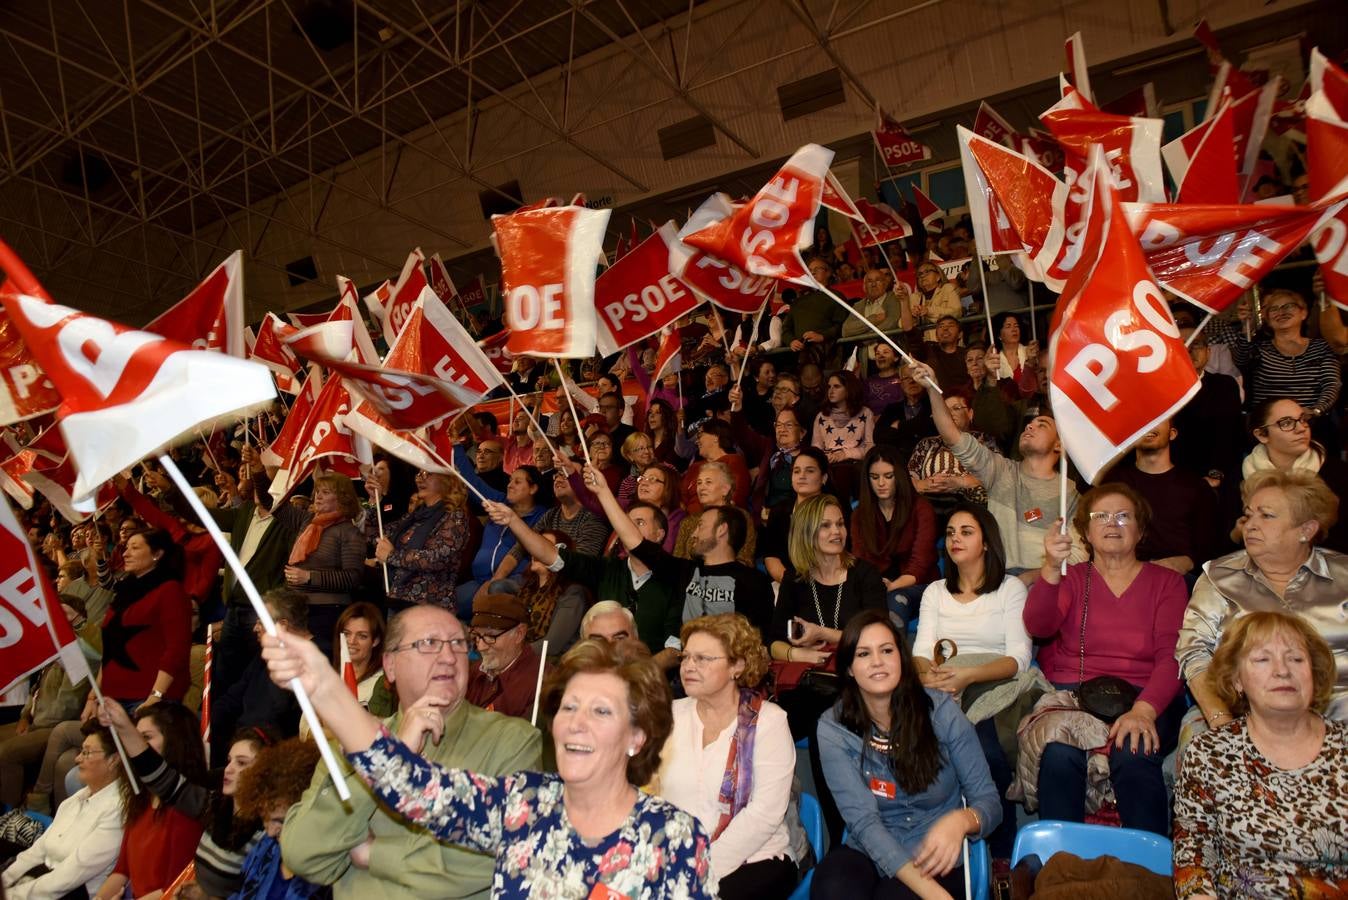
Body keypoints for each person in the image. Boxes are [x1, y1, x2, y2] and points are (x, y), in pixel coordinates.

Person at [261, 631, 718, 898]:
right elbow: (407, 780)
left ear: (637, 738)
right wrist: (321, 682)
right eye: (568, 708)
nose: (576, 725)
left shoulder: (674, 838)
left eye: (601, 712)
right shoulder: (523, 805)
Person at [280, 605, 543, 898]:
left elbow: (507, 856)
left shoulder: (512, 740)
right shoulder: (351, 743)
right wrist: (388, 758)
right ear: (390, 665)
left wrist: (374, 854)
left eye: (458, 643)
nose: (448, 657)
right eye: (428, 644)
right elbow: (303, 855)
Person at [1023, 484, 1188, 835]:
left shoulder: (1168, 583)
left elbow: (1172, 657)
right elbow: (1039, 625)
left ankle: (1148, 870)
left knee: (1134, 751)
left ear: (1141, 530)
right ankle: (1061, 867)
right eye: (1101, 516)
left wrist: (1144, 710)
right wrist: (1052, 568)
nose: (1112, 523)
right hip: (1076, 695)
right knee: (1058, 755)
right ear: (1085, 530)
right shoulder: (1071, 578)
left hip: (1144, 697)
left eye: (1124, 516)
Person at [813, 609, 1001, 900]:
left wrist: (962, 820)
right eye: (863, 654)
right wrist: (930, 892)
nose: (877, 661)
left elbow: (989, 801)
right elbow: (863, 822)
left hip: (936, 850)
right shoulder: (833, 728)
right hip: (870, 845)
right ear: (849, 667)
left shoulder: (940, 712)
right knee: (832, 889)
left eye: (886, 650)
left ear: (901, 657)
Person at [1173, 612, 1348, 898]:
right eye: (1263, 659)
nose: (1282, 671)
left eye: (1296, 659)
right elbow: (1193, 854)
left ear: (1314, 674)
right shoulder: (1209, 754)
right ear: (1237, 680)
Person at [1177, 469, 1348, 726]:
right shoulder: (1219, 576)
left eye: (1266, 515)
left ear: (1307, 529)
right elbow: (1194, 653)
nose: (1251, 525)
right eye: (1248, 515)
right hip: (1245, 719)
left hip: (1340, 716)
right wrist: (1222, 720)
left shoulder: (1344, 575)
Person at [912, 506, 1033, 861]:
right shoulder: (935, 591)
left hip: (995, 687)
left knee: (984, 751)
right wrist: (927, 676)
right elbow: (922, 652)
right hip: (942, 686)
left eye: (966, 531)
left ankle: (1000, 855)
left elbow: (1018, 659)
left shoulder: (1009, 588)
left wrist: (967, 675)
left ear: (985, 542)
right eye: (950, 532)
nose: (956, 539)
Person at [657, 614, 797, 899]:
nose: (688, 667)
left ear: (737, 665)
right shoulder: (667, 715)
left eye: (703, 659)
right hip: (676, 855)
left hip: (756, 857)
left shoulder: (769, 722)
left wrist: (699, 867)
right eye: (685, 658)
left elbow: (764, 815)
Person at [910, 359, 1085, 582]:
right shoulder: (1001, 470)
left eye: (1043, 425)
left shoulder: (1070, 492)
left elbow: (1078, 555)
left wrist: (1032, 577)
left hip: (1046, 583)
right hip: (1000, 582)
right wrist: (932, 387)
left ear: (1059, 446)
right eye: (1029, 425)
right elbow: (953, 436)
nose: (1030, 426)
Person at [100, 697, 273, 899]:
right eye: (229, 761)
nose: (229, 769)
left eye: (242, 763)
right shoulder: (214, 806)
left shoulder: (268, 830)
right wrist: (123, 726)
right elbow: (162, 780)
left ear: (265, 771)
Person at [586, 464, 773, 643]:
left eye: (701, 526)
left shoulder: (754, 582)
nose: (694, 534)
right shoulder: (684, 571)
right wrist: (603, 492)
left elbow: (758, 641)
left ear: (722, 530)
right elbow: (636, 542)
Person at [487, 497, 683, 666]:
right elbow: (551, 554)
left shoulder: (677, 577)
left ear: (660, 535)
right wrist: (513, 520)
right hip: (599, 669)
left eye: (639, 522)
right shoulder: (607, 568)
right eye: (626, 522)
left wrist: (637, 676)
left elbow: (674, 651)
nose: (628, 529)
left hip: (647, 681)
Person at [93, 703, 208, 900]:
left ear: (175, 743)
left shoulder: (185, 811)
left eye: (145, 737)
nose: (134, 746)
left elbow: (173, 889)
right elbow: (121, 871)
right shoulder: (141, 799)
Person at [2, 722, 127, 900]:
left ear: (114, 760)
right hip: (39, 880)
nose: (77, 759)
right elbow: (35, 853)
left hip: (73, 893)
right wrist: (4, 883)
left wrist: (12, 895)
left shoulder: (118, 809)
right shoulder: (73, 801)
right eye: (81, 751)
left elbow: (68, 877)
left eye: (87, 752)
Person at [83, 528, 191, 717]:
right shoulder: (124, 590)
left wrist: (155, 697)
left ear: (157, 554)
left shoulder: (170, 590)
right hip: (111, 698)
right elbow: (110, 649)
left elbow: (177, 649)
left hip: (147, 700)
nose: (125, 553)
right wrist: (93, 696)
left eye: (135, 548)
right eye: (126, 548)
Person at [1207, 288, 1341, 428]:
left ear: (1304, 312)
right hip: (1270, 427)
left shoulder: (1321, 347)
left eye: (1288, 306)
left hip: (1312, 423)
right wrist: (1247, 327)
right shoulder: (1259, 348)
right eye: (1274, 309)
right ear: (1267, 318)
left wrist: (1315, 410)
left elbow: (1331, 384)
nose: (1281, 312)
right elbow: (1240, 359)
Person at [1102, 418, 1219, 576]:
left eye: (1157, 419)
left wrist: (1185, 562)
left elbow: (1209, 548)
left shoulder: (1196, 487)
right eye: (1143, 421)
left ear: (1172, 433)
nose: (1148, 425)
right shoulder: (1113, 482)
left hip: (1179, 578)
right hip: (1124, 575)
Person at [1240, 398, 1348, 552]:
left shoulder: (1338, 473)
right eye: (1286, 423)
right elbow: (1224, 544)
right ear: (1262, 435)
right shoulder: (1239, 476)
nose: (1301, 428)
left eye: (1303, 419)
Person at [280, 473, 366, 660]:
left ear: (343, 498)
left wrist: (310, 577)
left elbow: (353, 578)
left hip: (327, 613)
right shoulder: (307, 521)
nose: (317, 496)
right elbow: (275, 506)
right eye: (317, 491)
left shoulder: (349, 532)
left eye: (325, 492)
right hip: (297, 609)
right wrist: (258, 471)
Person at [851, 444, 939, 625]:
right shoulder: (860, 514)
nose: (881, 483)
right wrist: (875, 585)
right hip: (877, 585)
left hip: (918, 585)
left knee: (895, 601)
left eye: (888, 476)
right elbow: (861, 560)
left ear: (899, 476)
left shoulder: (921, 509)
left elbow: (920, 566)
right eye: (874, 477)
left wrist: (892, 586)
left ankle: (896, 653)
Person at [230, 738, 326, 900]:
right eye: (264, 818)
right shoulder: (266, 848)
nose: (269, 831)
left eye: (279, 821)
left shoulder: (328, 876)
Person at [456, 464, 548, 616]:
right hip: (478, 581)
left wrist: (494, 581)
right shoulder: (500, 503)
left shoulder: (542, 516)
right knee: (441, 604)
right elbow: (473, 483)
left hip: (509, 582)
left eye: (517, 482)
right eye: (510, 480)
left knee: (493, 594)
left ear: (533, 489)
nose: (510, 485)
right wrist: (456, 446)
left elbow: (521, 551)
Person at [374, 468, 470, 611]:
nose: (419, 478)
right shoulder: (415, 516)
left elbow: (438, 558)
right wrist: (373, 500)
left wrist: (392, 556)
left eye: (428, 473)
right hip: (397, 600)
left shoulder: (455, 516)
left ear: (447, 480)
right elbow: (375, 535)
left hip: (430, 606)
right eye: (419, 473)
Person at [760, 447, 833, 583]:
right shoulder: (779, 511)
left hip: (827, 582)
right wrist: (790, 583)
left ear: (824, 478)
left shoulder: (835, 510)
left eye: (810, 471)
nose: (802, 476)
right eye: (796, 471)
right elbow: (771, 556)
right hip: (787, 582)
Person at [466, 593, 545, 720]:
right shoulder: (474, 672)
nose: (481, 647)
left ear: (519, 634)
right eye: (477, 636)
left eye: (491, 636)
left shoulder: (542, 684)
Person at [812, 370, 876, 503]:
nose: (831, 391)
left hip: (853, 464)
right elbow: (816, 447)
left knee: (843, 472)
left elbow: (870, 447)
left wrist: (844, 454)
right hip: (828, 463)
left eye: (836, 386)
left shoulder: (865, 413)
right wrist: (824, 457)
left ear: (849, 389)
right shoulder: (821, 416)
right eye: (829, 387)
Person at [679, 419, 751, 514]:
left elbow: (736, 496)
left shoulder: (733, 461)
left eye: (700, 435)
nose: (697, 441)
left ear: (715, 437)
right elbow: (681, 498)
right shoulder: (695, 467)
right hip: (688, 520)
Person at [333, 602, 386, 709]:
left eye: (362, 636)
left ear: (375, 641)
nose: (352, 641)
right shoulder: (329, 676)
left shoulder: (382, 684)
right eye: (347, 634)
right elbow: (305, 723)